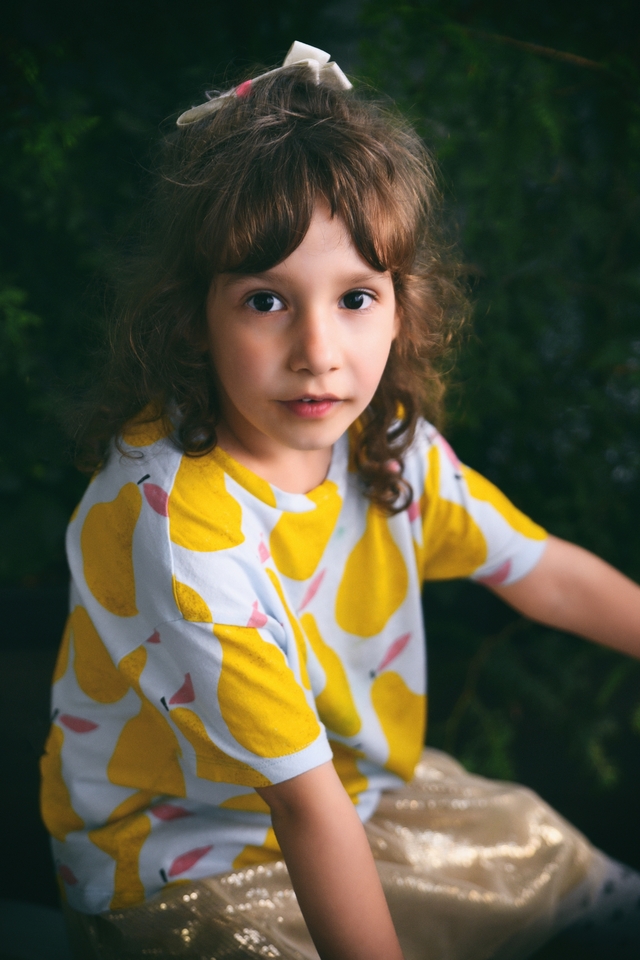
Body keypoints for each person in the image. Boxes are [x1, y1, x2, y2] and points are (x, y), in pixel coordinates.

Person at [40, 42, 640, 960]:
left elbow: (542, 573)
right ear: (193, 317)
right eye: (266, 302)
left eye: (356, 297)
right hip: (183, 866)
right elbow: (302, 807)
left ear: (402, 305)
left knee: (548, 864)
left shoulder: (384, 446)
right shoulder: (173, 524)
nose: (318, 352)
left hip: (350, 795)